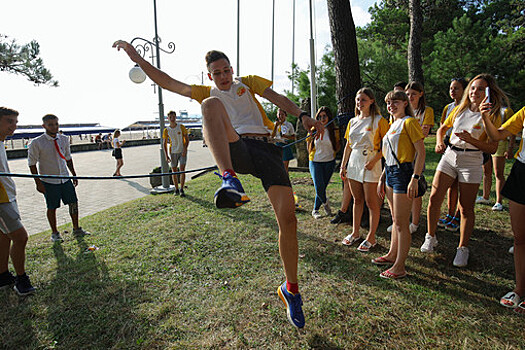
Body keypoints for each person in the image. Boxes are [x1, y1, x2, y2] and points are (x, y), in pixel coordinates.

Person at [113, 40, 324, 329]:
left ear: (232, 70)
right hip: (237, 146)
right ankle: (229, 179)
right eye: (217, 73)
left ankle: (291, 289)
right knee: (210, 104)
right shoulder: (206, 92)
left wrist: (303, 116)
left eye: (226, 71)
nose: (223, 76)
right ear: (209, 75)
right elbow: (167, 81)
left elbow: (277, 98)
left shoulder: (248, 83)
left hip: (266, 149)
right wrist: (135, 55)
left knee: (288, 221)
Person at [422, 74, 506, 267]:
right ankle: (430, 236)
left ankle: (462, 248)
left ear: (489, 92)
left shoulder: (493, 114)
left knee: (466, 207)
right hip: (450, 155)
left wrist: (472, 140)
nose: (475, 92)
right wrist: (438, 143)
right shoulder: (461, 108)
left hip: (472, 159)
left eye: (481, 89)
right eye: (473, 88)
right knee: (434, 197)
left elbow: (492, 148)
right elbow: (443, 128)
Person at [374, 91, 425, 279]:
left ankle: (400, 266)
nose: (391, 106)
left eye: (395, 102)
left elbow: (421, 152)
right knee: (395, 220)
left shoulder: (409, 122)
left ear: (405, 103)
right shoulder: (392, 125)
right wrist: (381, 178)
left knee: (403, 223)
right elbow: (388, 155)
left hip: (404, 174)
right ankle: (392, 254)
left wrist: (415, 177)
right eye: (388, 103)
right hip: (390, 173)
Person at [481, 106, 525, 313]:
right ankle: (519, 289)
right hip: (522, 171)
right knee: (519, 238)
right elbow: (496, 134)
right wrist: (484, 116)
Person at [28, 114, 90, 242]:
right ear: (44, 126)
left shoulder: (64, 139)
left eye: (56, 124)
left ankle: (76, 228)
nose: (54, 127)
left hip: (65, 179)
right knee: (52, 207)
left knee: (73, 203)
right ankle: (55, 232)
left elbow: (68, 157)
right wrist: (38, 183)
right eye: (51, 124)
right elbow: (32, 164)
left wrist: (73, 173)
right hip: (49, 182)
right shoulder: (37, 143)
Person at [340, 88, 388, 252]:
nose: (360, 103)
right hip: (354, 162)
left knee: (371, 202)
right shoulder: (352, 121)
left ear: (372, 101)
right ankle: (355, 233)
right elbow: (348, 145)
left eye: (364, 100)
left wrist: (374, 161)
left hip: (371, 162)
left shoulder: (379, 120)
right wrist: (343, 165)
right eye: (358, 100)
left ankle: (372, 237)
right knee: (357, 199)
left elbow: (387, 146)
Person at [0, 107, 36, 296]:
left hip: (8, 195)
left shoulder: (1, 141)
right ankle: (21, 280)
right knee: (20, 237)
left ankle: (3, 275)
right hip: (1, 200)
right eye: (9, 121)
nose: (13, 126)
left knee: (4, 236)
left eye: (15, 122)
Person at [437, 78, 468, 232]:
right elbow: (443, 126)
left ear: (464, 90)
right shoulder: (448, 108)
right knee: (450, 185)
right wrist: (441, 142)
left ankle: (457, 215)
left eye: (456, 88)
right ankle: (449, 213)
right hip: (449, 145)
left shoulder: (468, 108)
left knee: (460, 183)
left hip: (465, 148)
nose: (452, 91)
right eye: (451, 88)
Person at [405, 81, 434, 233]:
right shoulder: (403, 111)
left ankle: (415, 223)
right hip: (402, 155)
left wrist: (407, 135)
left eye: (413, 94)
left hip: (417, 155)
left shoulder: (426, 111)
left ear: (421, 94)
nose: (410, 97)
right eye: (408, 94)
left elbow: (424, 133)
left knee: (415, 189)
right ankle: (404, 220)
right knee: (403, 189)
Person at [476, 106, 515, 211]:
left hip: (500, 144)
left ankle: (499, 201)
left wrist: (510, 148)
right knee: (486, 171)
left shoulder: (506, 111)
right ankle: (485, 196)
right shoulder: (485, 109)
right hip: (486, 143)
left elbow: (512, 130)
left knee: (498, 173)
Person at [307, 106, 340, 219]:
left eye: (324, 116)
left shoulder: (334, 131)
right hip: (315, 161)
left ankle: (315, 210)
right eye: (320, 116)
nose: (322, 118)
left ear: (329, 117)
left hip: (329, 162)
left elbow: (338, 145)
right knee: (319, 186)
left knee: (323, 187)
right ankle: (325, 204)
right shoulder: (312, 130)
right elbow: (308, 146)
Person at [162, 111, 189, 196]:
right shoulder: (166, 130)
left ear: (176, 117)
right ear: (168, 118)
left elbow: (187, 139)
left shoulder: (181, 127)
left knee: (182, 170)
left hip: (182, 151)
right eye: (170, 117)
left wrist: (185, 149)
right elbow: (164, 143)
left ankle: (181, 189)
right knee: (174, 171)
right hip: (173, 152)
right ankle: (176, 189)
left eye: (173, 117)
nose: (172, 119)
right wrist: (166, 156)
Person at [274, 108, 296, 172]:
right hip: (277, 145)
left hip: (285, 144)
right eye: (279, 114)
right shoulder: (274, 124)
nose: (281, 116)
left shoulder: (289, 125)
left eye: (282, 114)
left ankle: (286, 180)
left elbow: (293, 137)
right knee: (277, 164)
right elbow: (271, 136)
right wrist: (276, 126)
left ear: (285, 115)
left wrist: (285, 136)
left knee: (285, 166)